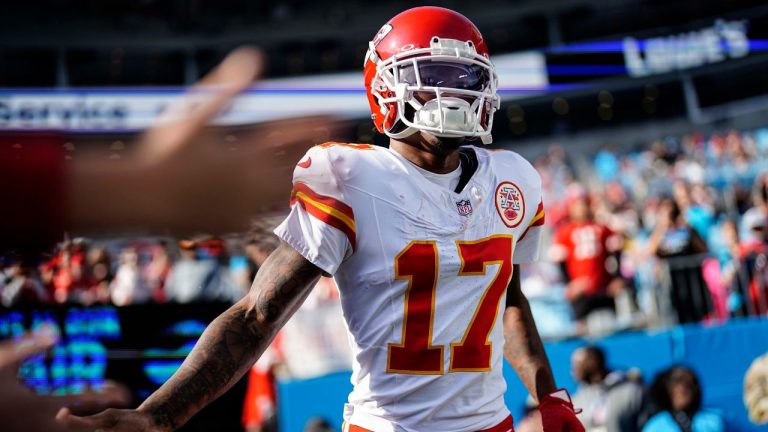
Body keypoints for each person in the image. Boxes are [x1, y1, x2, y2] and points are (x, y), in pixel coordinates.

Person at [60, 7, 583, 432]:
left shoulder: (512, 178)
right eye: (434, 77)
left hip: (493, 425)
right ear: (385, 88)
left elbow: (506, 297)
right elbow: (256, 316)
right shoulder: (350, 176)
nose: (456, 93)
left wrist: (547, 390)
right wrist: (158, 416)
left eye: (465, 76)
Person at [550, 185, 623, 333]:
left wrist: (616, 278)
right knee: (581, 330)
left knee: (611, 328)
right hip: (580, 291)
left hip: (603, 286)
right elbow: (559, 261)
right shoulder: (564, 232)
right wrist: (570, 284)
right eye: (577, 204)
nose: (581, 208)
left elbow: (616, 251)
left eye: (583, 203)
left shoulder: (602, 227)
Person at [570, 346, 647, 432]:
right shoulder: (576, 401)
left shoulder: (632, 392)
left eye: (578, 364)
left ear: (593, 362)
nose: (573, 371)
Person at [643, 366, 724, 432]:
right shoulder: (656, 426)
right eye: (679, 387)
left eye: (691, 385)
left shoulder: (714, 419)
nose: (684, 391)